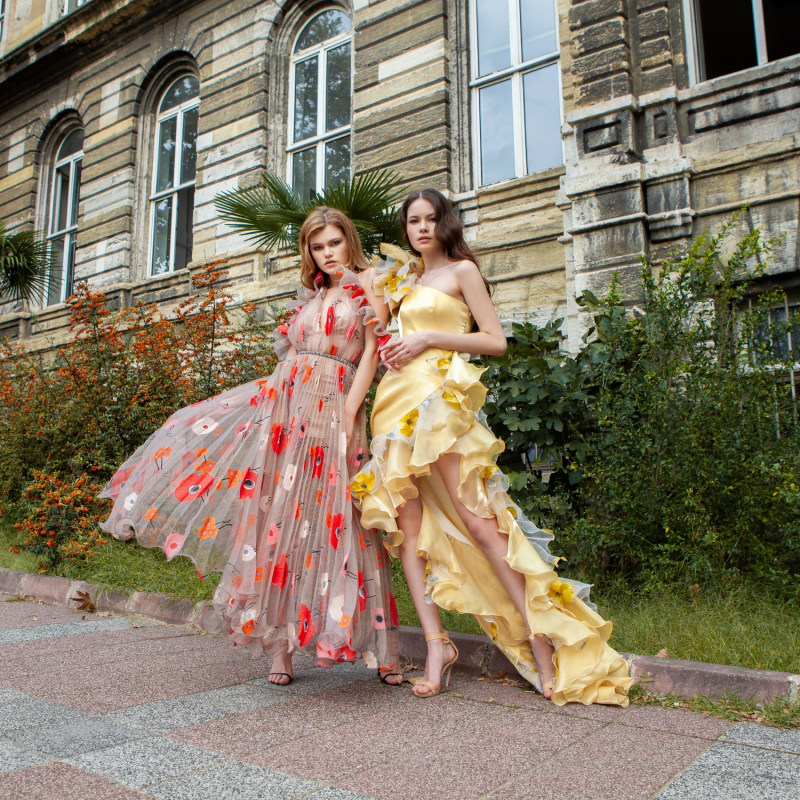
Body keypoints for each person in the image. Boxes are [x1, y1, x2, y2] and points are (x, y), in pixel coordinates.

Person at [100, 207, 402, 687]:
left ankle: (384, 651)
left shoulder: (373, 283)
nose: (327, 255)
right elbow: (293, 355)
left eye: (333, 244)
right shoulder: (313, 293)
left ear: (349, 240)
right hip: (286, 411)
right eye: (317, 247)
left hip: (337, 405)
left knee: (348, 516)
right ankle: (278, 648)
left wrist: (349, 410)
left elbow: (371, 351)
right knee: (277, 519)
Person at [351, 189, 631, 704]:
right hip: (393, 407)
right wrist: (388, 335)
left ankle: (542, 642)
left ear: (445, 222)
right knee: (410, 534)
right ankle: (437, 649)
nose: (422, 228)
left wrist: (428, 338)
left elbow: (495, 340)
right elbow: (368, 309)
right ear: (404, 228)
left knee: (481, 523)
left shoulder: (462, 272)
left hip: (440, 408)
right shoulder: (402, 278)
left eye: (431, 218)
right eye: (413, 220)